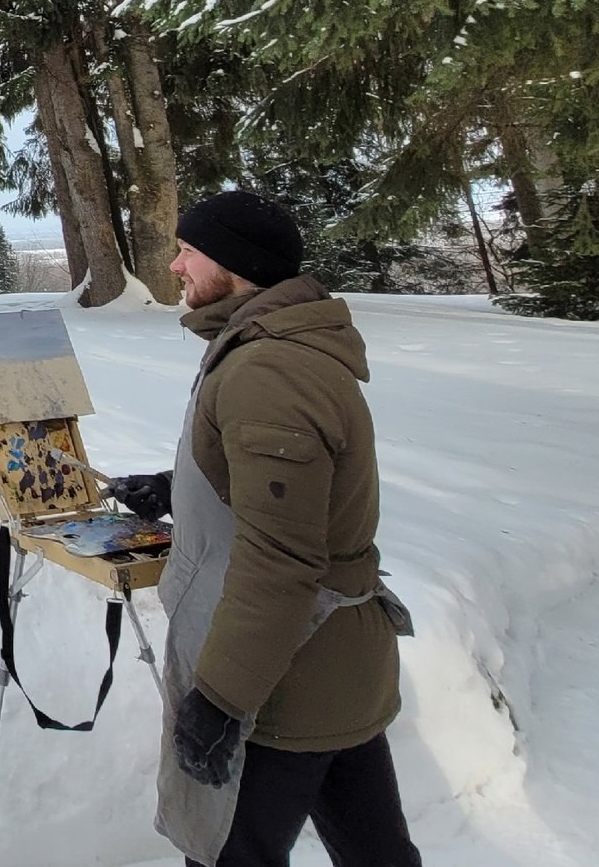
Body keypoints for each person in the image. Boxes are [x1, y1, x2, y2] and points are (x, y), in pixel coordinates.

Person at [106, 191, 421, 867]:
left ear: (236, 264)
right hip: (328, 665)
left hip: (284, 684)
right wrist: (175, 487)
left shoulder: (269, 370)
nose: (175, 265)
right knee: (377, 855)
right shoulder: (269, 348)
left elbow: (280, 557)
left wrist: (221, 699)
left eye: (189, 251)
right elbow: (285, 494)